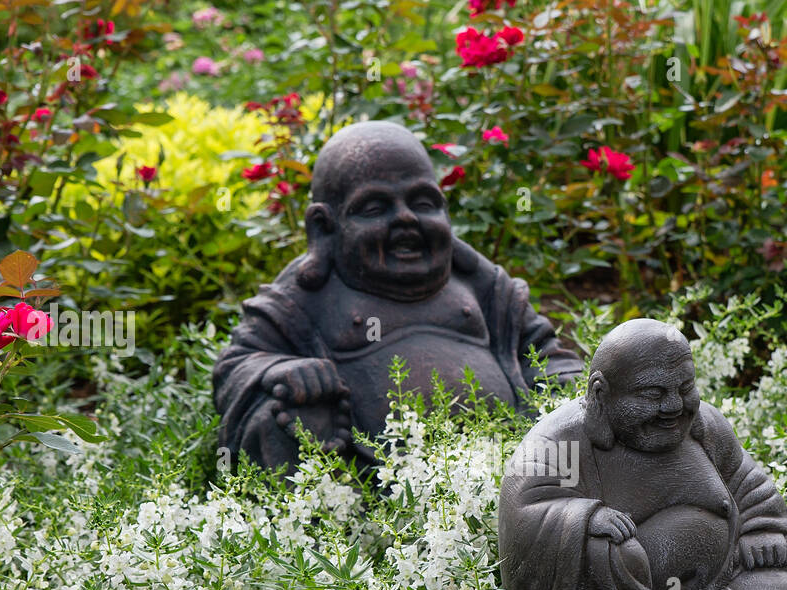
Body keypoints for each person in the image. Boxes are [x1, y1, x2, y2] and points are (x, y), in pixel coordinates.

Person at [213, 120, 584, 473]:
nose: (406, 218)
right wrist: (281, 371)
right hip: (364, 478)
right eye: (375, 207)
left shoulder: (481, 284)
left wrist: (573, 396)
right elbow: (235, 365)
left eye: (423, 203)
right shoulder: (305, 297)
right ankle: (326, 527)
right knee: (272, 417)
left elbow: (543, 352)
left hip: (506, 471)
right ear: (324, 227)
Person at [498, 318, 787, 590]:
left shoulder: (703, 427)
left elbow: (748, 483)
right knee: (604, 548)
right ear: (602, 394)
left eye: (685, 388)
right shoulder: (564, 442)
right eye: (651, 394)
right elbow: (527, 510)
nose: (673, 406)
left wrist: (760, 531)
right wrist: (586, 518)